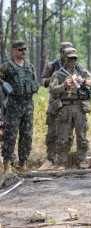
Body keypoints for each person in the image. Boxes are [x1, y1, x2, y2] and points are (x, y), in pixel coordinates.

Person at [49, 47, 91, 169]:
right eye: (70, 58)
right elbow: (52, 89)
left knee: (81, 135)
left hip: (79, 106)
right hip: (65, 107)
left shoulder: (81, 71)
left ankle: (81, 160)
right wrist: (64, 85)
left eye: (74, 58)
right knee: (63, 137)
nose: (72, 60)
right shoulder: (58, 74)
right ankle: (62, 162)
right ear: (65, 58)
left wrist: (83, 81)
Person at [0, 40, 39, 173]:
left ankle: (23, 164)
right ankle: (7, 164)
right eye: (21, 49)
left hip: (28, 105)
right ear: (14, 50)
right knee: (10, 135)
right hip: (12, 105)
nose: (24, 52)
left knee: (27, 135)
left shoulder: (30, 66)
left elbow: (34, 82)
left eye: (25, 49)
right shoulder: (6, 67)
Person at [40, 42, 74, 165]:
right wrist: (55, 79)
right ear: (61, 53)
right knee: (52, 131)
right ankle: (50, 158)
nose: (68, 56)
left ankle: (65, 157)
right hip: (55, 101)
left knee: (68, 131)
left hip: (70, 102)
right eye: (65, 53)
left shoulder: (75, 64)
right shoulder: (52, 65)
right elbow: (42, 80)